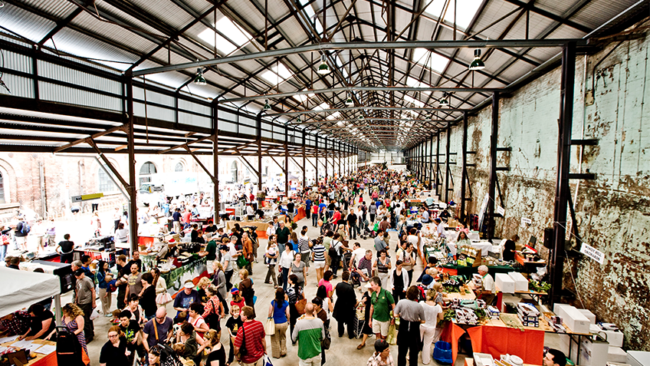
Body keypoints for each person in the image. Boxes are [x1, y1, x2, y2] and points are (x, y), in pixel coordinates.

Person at [393, 286, 425, 366]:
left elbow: (395, 314)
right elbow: (423, 320)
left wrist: (401, 314)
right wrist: (418, 320)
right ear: (416, 295)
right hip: (414, 331)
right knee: (414, 354)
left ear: (407, 293)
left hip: (403, 328)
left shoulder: (401, 302)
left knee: (401, 353)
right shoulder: (419, 306)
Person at [420, 289, 444, 364]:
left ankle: (411, 356)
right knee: (427, 344)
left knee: (417, 342)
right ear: (435, 296)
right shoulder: (437, 307)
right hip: (431, 326)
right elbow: (441, 317)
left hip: (421, 325)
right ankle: (426, 360)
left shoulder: (422, 303)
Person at [74, 269, 96, 342]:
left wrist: (93, 302)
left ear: (82, 274)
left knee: (86, 320)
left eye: (79, 275)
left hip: (86, 301)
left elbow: (93, 290)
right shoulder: (77, 280)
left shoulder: (87, 280)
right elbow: (77, 290)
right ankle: (90, 333)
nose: (78, 277)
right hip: (80, 301)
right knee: (86, 318)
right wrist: (76, 300)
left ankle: (89, 336)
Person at [333, 271, 357, 339]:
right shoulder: (350, 287)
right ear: (348, 277)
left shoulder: (338, 285)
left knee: (340, 321)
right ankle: (350, 334)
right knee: (350, 321)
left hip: (339, 304)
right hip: (348, 306)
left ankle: (340, 333)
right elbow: (353, 298)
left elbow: (337, 294)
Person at [268, 288, 290, 359]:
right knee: (283, 337)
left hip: (275, 323)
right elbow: (287, 314)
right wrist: (288, 320)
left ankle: (276, 354)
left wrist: (269, 319)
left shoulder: (273, 302)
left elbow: (270, 313)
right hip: (284, 323)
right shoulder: (286, 303)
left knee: (275, 339)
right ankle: (283, 351)